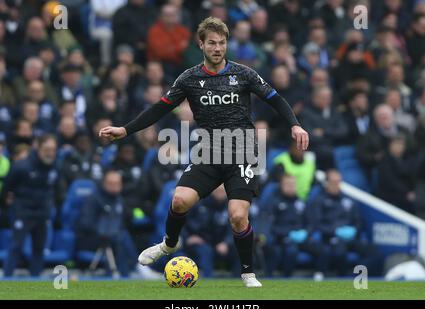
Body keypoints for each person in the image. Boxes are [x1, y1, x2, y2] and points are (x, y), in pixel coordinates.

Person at [99, 17, 309, 287]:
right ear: (201, 44)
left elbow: (276, 99)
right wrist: (126, 130)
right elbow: (159, 109)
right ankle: (169, 245)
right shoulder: (189, 78)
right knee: (179, 201)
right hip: (208, 152)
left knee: (237, 215)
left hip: (242, 152)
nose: (218, 48)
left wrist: (295, 125)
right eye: (212, 43)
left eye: (222, 43)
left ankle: (247, 272)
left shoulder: (243, 74)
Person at [1, 135, 59, 277]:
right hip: (23, 212)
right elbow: (7, 187)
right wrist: (8, 202)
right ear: (37, 147)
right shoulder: (21, 166)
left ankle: (35, 282)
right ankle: (7, 279)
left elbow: (56, 189)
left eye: (53, 150)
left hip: (42, 212)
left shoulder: (54, 167)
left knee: (39, 249)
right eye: (47, 149)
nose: (50, 153)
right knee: (16, 247)